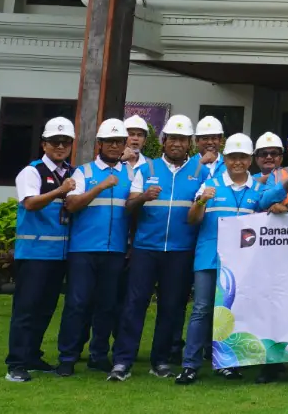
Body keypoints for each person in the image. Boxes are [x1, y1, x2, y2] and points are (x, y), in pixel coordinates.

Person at [110, 115, 205, 382]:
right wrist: (143, 196)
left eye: (182, 140)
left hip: (181, 250)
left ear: (190, 144)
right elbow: (129, 206)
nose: (176, 144)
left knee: (171, 308)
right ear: (163, 141)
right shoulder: (147, 169)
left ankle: (160, 361)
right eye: (172, 138)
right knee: (134, 305)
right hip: (145, 249)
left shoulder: (201, 173)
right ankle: (122, 361)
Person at [177, 133, 258, 385]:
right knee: (201, 310)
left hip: (240, 263)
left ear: (250, 159)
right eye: (233, 157)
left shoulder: (257, 188)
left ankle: (227, 363)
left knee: (231, 311)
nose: (237, 162)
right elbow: (192, 219)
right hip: (208, 258)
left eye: (243, 157)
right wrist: (201, 201)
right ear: (226, 158)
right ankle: (190, 365)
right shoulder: (210, 184)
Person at [57, 118, 135, 377]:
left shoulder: (131, 174)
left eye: (119, 142)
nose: (114, 146)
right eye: (109, 141)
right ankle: (67, 357)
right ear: (99, 144)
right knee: (77, 303)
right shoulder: (84, 172)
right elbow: (72, 204)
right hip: (84, 249)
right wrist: (100, 187)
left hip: (114, 250)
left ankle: (98, 355)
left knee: (107, 305)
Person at [5, 116, 76, 382]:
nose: (60, 146)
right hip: (34, 254)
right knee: (26, 309)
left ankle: (32, 355)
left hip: (59, 255)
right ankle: (16, 363)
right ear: (44, 144)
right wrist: (60, 191)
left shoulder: (71, 172)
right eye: (55, 142)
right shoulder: (31, 172)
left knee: (46, 308)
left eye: (65, 142)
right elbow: (31, 203)